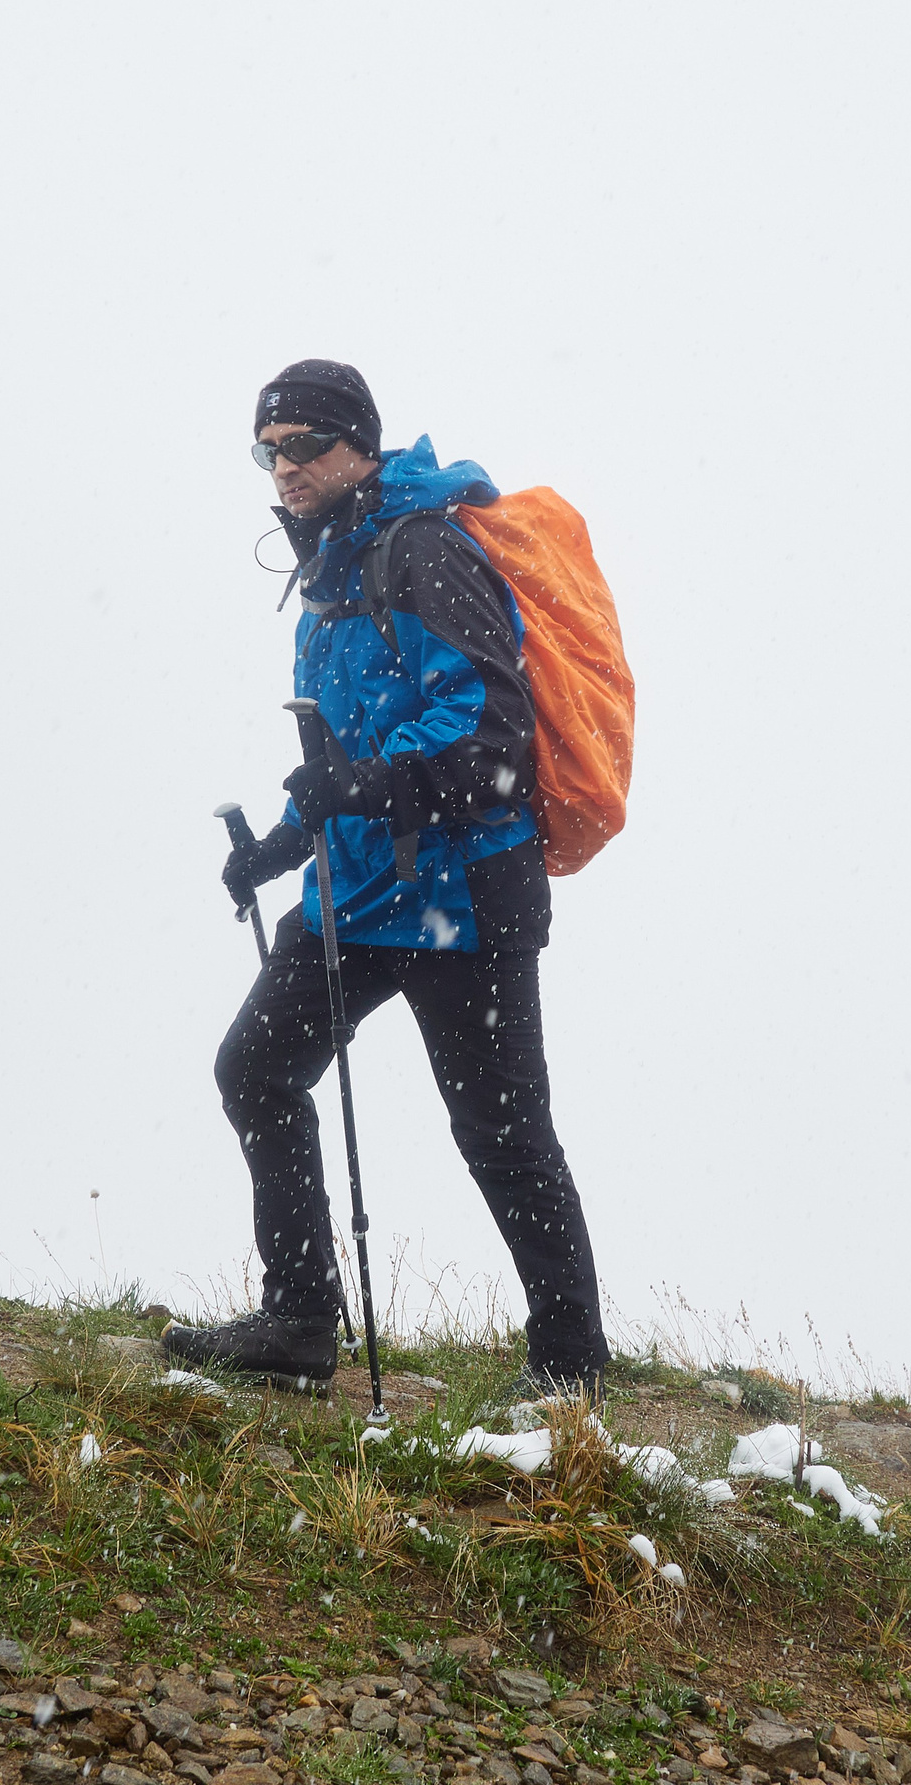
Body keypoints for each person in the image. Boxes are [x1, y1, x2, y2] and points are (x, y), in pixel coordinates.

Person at [165, 359, 612, 1403]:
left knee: (503, 1136)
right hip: (359, 899)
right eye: (271, 450)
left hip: (464, 899)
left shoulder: (424, 552)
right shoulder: (324, 586)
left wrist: (352, 788)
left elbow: (488, 736)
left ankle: (570, 1373)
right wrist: (280, 845)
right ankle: (299, 1320)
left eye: (308, 444)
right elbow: (344, 759)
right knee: (254, 1071)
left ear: (361, 446)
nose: (287, 467)